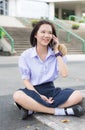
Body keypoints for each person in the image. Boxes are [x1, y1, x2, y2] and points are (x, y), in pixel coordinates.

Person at [13, 20, 84, 120]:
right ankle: (61, 111)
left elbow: (64, 74)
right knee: (17, 96)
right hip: (33, 90)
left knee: (78, 95)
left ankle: (33, 109)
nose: (46, 35)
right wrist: (39, 95)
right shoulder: (26, 56)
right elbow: (26, 81)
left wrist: (56, 51)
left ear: (53, 37)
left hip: (51, 90)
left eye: (50, 33)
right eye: (43, 32)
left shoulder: (56, 54)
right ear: (35, 35)